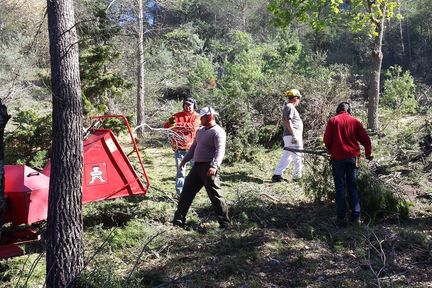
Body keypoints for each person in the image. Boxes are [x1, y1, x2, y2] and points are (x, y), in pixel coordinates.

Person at [173, 106, 231, 230]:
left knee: (215, 195)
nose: (200, 119)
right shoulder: (200, 130)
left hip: (209, 167)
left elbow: (220, 150)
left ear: (210, 117)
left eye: (202, 117)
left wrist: (214, 166)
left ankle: (225, 224)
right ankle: (178, 221)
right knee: (186, 192)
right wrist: (185, 159)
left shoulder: (218, 131)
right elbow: (194, 147)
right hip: (197, 167)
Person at [323, 102, 373, 227]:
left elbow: (327, 140)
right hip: (352, 158)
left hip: (337, 159)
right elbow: (366, 140)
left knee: (339, 187)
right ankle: (356, 217)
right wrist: (368, 154)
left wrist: (331, 150)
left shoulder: (333, 121)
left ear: (337, 109)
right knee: (353, 187)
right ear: (349, 110)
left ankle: (341, 218)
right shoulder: (355, 121)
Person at [163, 97, 200, 197]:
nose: (188, 107)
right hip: (179, 149)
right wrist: (182, 125)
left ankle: (193, 192)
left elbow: (193, 127)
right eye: (186, 104)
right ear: (183, 105)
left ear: (194, 106)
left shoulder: (198, 117)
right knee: (180, 172)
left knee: (196, 172)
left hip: (194, 149)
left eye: (190, 105)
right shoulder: (176, 115)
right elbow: (166, 125)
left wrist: (177, 125)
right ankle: (180, 194)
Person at [271, 89, 304, 182]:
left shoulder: (289, 107)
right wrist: (294, 135)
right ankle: (297, 177)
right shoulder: (290, 107)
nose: (299, 101)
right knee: (298, 156)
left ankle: (277, 175)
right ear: (295, 98)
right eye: (299, 98)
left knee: (287, 156)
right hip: (293, 135)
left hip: (290, 135)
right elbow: (287, 120)